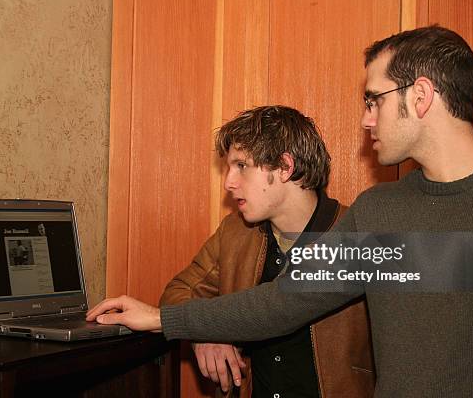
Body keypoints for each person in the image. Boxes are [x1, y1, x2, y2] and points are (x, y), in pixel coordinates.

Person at [87, 26, 473, 396]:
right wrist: (163, 318)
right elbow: (283, 301)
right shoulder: (379, 213)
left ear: (420, 95)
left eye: (374, 99)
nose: (366, 119)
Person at [158, 105, 374, 398]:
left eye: (242, 166)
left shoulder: (357, 235)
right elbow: (178, 291)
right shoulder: (234, 233)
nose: (229, 182)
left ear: (285, 167)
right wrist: (203, 333)